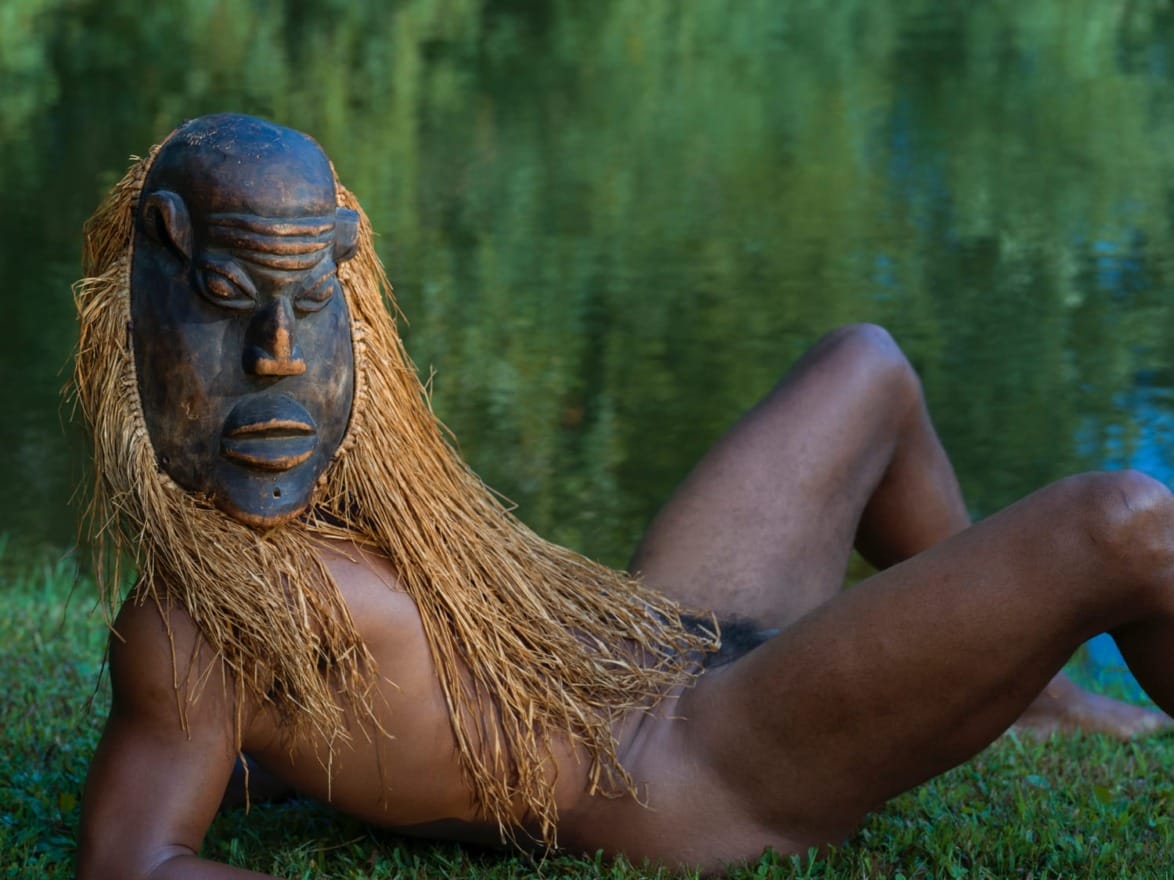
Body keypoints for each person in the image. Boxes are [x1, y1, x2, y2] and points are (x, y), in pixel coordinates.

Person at [73, 114, 1172, 880]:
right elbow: (131, 858)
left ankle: (1035, 698)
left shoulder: (352, 472)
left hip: (657, 636)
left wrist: (287, 772)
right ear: (140, 318)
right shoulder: (187, 626)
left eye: (306, 303)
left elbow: (335, 718)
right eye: (223, 299)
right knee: (1124, 523)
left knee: (865, 366)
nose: (273, 351)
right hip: (690, 764)